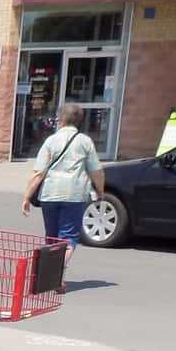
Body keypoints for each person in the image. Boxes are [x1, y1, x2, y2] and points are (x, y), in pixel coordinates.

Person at [23, 103, 106, 248]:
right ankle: (59, 267)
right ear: (80, 121)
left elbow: (38, 173)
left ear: (60, 120)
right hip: (75, 195)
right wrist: (100, 192)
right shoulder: (85, 142)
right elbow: (97, 172)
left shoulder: (51, 141)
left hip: (50, 195)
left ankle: (51, 268)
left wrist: (27, 197)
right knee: (68, 238)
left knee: (51, 237)